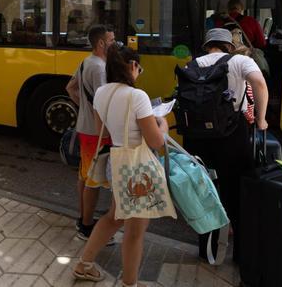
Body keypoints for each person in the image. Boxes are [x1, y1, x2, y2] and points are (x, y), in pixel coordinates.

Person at [72, 43, 168, 286]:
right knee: (134, 232)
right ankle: (129, 283)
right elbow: (156, 142)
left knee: (114, 217)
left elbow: (100, 131)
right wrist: (162, 123)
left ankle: (84, 264)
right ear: (133, 66)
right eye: (139, 69)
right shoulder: (137, 96)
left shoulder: (102, 93)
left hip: (116, 162)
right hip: (137, 169)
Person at [182, 28, 269, 263]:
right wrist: (261, 119)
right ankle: (240, 254)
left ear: (207, 45)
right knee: (236, 192)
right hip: (231, 135)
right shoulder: (240, 61)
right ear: (229, 46)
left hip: (197, 137)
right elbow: (259, 84)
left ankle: (207, 251)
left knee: (205, 192)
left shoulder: (193, 64)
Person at [65, 25, 115, 240]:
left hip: (84, 128)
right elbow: (103, 104)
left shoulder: (86, 62)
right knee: (93, 181)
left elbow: (70, 88)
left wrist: (84, 108)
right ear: (101, 43)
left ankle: (83, 218)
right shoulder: (100, 68)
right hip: (97, 132)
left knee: (85, 176)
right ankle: (86, 226)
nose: (115, 44)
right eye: (111, 40)